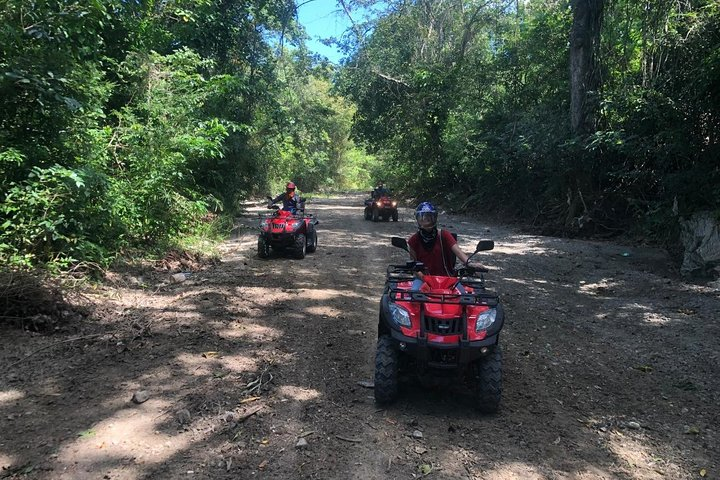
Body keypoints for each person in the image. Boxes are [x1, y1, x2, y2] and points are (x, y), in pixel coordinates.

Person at [408, 202, 475, 288]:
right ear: (418, 219)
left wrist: (469, 263)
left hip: (447, 278)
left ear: (434, 218)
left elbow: (458, 252)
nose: (426, 220)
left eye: (429, 217)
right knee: (414, 296)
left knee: (463, 297)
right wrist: (422, 277)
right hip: (423, 279)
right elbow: (414, 265)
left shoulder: (444, 235)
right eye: (422, 218)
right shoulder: (414, 240)